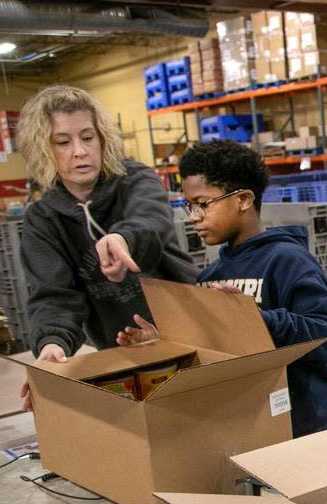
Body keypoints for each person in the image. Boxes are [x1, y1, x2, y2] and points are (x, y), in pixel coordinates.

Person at [120, 139, 327, 437]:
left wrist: (253, 319)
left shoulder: (287, 260)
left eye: (203, 204)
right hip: (249, 422)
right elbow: (212, 351)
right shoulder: (213, 276)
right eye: (189, 206)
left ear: (243, 200)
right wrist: (164, 341)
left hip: (303, 426)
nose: (193, 217)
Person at [15, 84, 196, 408]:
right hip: (122, 354)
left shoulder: (137, 180)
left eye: (87, 137)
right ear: (42, 148)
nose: (80, 151)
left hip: (191, 337)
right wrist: (52, 346)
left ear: (102, 138)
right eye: (63, 142)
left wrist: (123, 239)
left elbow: (150, 221)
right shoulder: (42, 220)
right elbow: (54, 297)